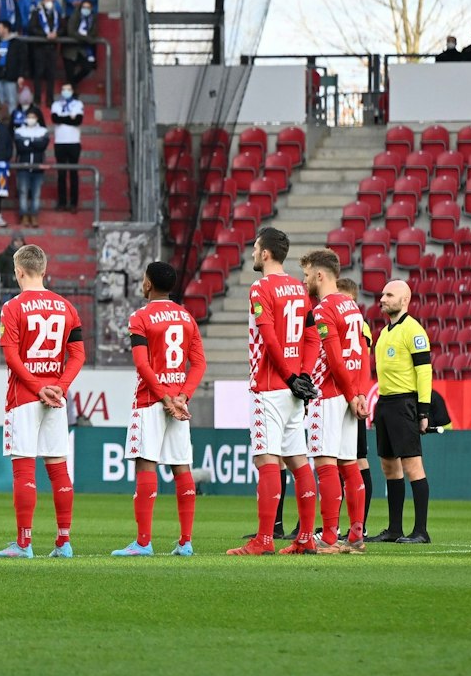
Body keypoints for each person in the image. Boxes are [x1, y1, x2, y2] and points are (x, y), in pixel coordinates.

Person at [227, 227, 323, 557]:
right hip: (295, 389)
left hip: (269, 385)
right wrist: (304, 376)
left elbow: (268, 338)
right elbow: (312, 338)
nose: (253, 254)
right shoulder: (299, 288)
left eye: (255, 249)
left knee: (266, 459)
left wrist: (288, 376)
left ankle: (264, 540)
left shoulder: (260, 288)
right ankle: (306, 537)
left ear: (266, 253)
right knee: (298, 461)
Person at [0, 245, 85, 559]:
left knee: (24, 470)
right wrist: (59, 387)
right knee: (58, 468)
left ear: (18, 271)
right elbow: (78, 355)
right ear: (44, 270)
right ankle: (64, 542)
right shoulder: (66, 307)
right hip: (56, 398)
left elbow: (12, 357)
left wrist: (37, 387)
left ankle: (24, 544)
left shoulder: (12, 307)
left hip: (24, 397)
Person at [114, 262, 207, 557]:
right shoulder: (186, 317)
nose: (142, 284)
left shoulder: (140, 316)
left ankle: (143, 542)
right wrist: (182, 397)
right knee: (182, 467)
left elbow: (142, 363)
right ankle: (186, 541)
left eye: (143, 279)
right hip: (178, 403)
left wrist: (165, 399)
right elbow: (200, 363)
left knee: (145, 465)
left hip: (150, 400)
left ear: (149, 284)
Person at [302, 250, 372, 552]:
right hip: (350, 393)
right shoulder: (352, 306)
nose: (304, 281)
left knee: (325, 464)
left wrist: (348, 392)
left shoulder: (324, 309)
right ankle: (356, 534)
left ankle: (330, 535)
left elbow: (333, 357)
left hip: (329, 393)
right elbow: (363, 354)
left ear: (320, 275)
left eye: (306, 275)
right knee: (349, 463)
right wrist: (359, 393)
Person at [370, 278, 434, 544]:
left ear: (404, 300)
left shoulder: (414, 331)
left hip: (405, 404)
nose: (382, 299)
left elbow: (424, 372)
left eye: (389, 294)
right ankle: (394, 529)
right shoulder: (384, 333)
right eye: (382, 294)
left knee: (412, 466)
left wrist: (423, 411)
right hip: (385, 404)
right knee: (388, 466)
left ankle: (421, 531)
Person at [49, 83, 84, 212]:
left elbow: (78, 121)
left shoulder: (78, 104)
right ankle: (62, 202)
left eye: (68, 89)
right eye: (63, 89)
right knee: (61, 173)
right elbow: (54, 119)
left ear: (72, 91)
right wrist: (69, 118)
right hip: (60, 142)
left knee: (73, 173)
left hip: (74, 141)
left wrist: (63, 119)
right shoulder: (56, 105)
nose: (66, 91)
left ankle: (74, 203)